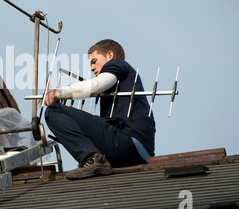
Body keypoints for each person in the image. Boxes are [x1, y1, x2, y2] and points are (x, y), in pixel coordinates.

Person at [44, 39, 156, 179]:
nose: (91, 68)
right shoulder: (122, 79)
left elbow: (95, 86)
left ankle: (92, 159)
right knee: (64, 114)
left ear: (110, 55)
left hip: (128, 144)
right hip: (138, 154)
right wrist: (74, 118)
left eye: (94, 61)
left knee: (53, 111)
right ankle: (96, 160)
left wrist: (58, 93)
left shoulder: (117, 64)